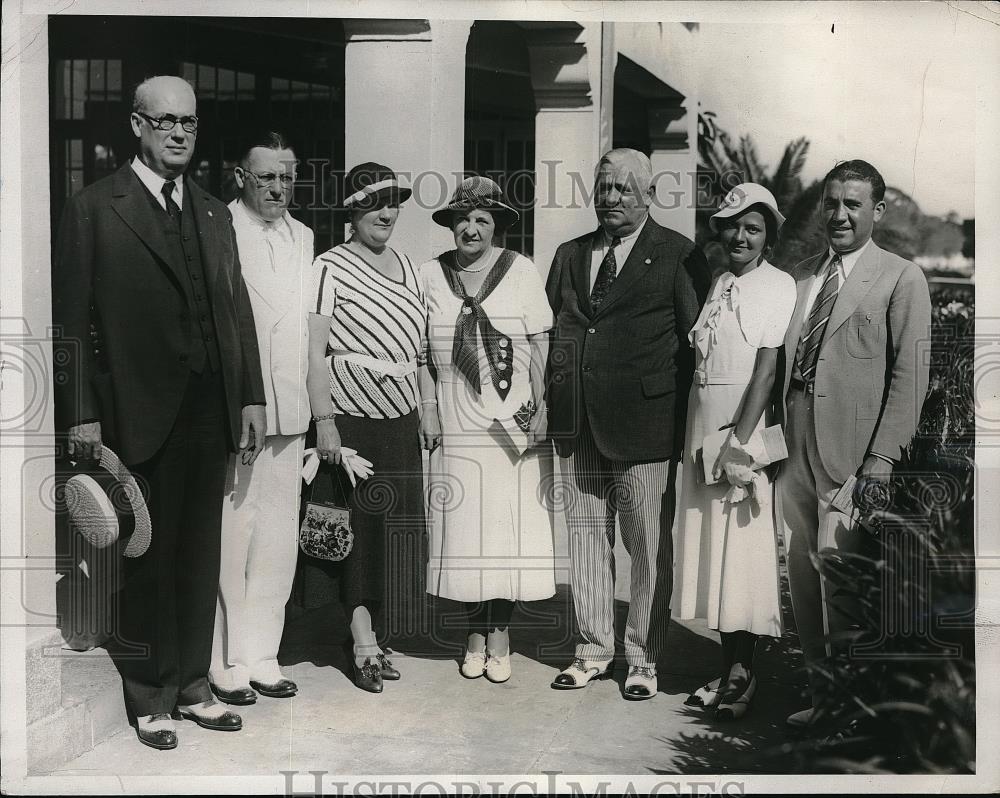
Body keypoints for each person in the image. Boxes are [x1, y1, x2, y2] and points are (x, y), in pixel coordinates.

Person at [51, 76, 267, 750]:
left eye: (190, 123)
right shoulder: (95, 207)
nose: (180, 133)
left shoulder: (212, 211)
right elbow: (69, 323)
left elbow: (236, 311)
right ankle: (150, 696)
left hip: (211, 407)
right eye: (166, 121)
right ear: (137, 126)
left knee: (200, 550)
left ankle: (193, 687)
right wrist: (82, 412)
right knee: (148, 553)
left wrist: (251, 396)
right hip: (138, 409)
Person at [545, 148, 709, 699]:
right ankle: (591, 650)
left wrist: (686, 429)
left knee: (646, 545)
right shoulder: (570, 254)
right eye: (603, 187)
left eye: (622, 189)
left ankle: (642, 658)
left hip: (647, 424)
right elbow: (559, 336)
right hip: (581, 424)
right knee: (586, 538)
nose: (610, 199)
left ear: (648, 195)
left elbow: (694, 349)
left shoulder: (678, 256)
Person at [778, 160, 931, 729]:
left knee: (840, 577)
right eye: (832, 203)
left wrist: (882, 459)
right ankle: (823, 699)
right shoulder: (804, 275)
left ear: (877, 211)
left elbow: (909, 376)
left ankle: (854, 712)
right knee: (801, 575)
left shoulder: (900, 276)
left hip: (853, 457)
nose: (839, 214)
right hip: (793, 449)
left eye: (853, 205)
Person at [418, 176, 555, 684]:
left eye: (482, 220)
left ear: (496, 227)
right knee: (466, 531)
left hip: (510, 418)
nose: (471, 228)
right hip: (457, 420)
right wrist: (428, 407)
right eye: (463, 219)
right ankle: (471, 636)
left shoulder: (520, 270)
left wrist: (543, 407)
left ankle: (500, 638)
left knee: (506, 531)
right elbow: (419, 356)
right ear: (451, 224)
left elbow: (540, 345)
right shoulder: (430, 274)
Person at [672, 183, 797, 720]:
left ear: (768, 235)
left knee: (742, 555)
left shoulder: (777, 284)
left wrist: (737, 444)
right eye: (732, 226)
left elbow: (766, 370)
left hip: (737, 431)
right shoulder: (721, 281)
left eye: (753, 227)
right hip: (704, 427)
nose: (740, 236)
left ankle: (743, 677)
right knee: (714, 553)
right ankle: (727, 667)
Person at [306, 162, 426, 694]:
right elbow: (313, 351)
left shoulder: (409, 265)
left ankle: (377, 631)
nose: (386, 212)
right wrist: (325, 421)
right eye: (375, 203)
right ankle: (360, 643)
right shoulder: (329, 267)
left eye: (394, 202)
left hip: (400, 418)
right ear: (352, 211)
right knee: (352, 531)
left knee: (390, 528)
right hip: (350, 418)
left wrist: (431, 407)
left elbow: (419, 352)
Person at [209, 132, 315, 706]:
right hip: (243, 409)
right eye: (268, 176)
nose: (279, 186)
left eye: (287, 175)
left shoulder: (304, 236)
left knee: (278, 539)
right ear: (241, 178)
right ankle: (225, 662)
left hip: (291, 408)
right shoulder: (219, 227)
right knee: (235, 535)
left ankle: (263, 656)